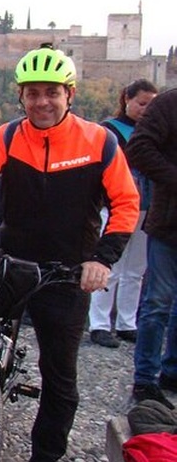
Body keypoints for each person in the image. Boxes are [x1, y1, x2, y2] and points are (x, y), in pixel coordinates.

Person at [0, 44, 139, 462]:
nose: (42, 102)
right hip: (10, 264)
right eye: (32, 93)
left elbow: (126, 204)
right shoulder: (9, 135)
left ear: (70, 95)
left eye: (51, 92)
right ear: (22, 96)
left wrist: (102, 259)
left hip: (67, 275)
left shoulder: (99, 141)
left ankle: (45, 456)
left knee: (60, 381)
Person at [90, 79, 158, 348]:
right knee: (111, 265)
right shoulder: (110, 132)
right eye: (141, 104)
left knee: (136, 269)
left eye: (150, 105)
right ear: (127, 99)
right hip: (117, 206)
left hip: (147, 207)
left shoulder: (154, 132)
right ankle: (99, 323)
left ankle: (127, 322)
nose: (145, 110)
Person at [126, 86, 177, 408]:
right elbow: (139, 149)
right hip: (170, 222)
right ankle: (145, 379)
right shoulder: (169, 104)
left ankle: (172, 370)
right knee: (157, 302)